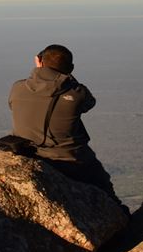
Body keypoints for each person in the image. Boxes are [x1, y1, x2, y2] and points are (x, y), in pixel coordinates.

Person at [8, 44, 125, 208]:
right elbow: (89, 104)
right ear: (70, 68)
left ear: (39, 61)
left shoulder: (17, 87)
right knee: (106, 190)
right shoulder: (77, 93)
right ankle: (120, 216)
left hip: (29, 155)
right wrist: (67, 78)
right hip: (71, 159)